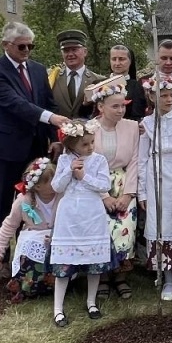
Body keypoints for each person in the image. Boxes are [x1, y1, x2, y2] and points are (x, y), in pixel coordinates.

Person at [0, 23, 71, 243]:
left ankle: (26, 253)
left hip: (34, 150)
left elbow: (49, 104)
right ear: (6, 45)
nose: (27, 50)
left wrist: (54, 138)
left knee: (31, 203)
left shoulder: (38, 69)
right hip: (2, 150)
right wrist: (52, 118)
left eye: (31, 46)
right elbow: (15, 104)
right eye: (22, 46)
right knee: (1, 205)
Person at [47, 121, 114, 328]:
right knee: (65, 261)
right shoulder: (64, 160)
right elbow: (56, 186)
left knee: (94, 262)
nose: (90, 147)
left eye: (92, 142)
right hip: (70, 216)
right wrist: (68, 171)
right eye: (85, 144)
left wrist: (83, 176)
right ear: (72, 144)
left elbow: (105, 185)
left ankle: (91, 302)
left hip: (92, 213)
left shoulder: (99, 160)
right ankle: (58, 308)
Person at [135, 73, 172, 300]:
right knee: (159, 224)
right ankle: (168, 278)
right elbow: (141, 159)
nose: (169, 100)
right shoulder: (147, 123)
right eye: (164, 96)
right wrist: (142, 190)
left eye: (171, 95)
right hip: (154, 173)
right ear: (152, 97)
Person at [89, 77, 142, 297]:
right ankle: (101, 277)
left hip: (124, 182)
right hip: (96, 185)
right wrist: (103, 196)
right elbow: (86, 162)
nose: (121, 110)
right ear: (101, 107)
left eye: (123, 105)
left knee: (124, 229)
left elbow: (135, 161)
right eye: (115, 106)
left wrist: (128, 194)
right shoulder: (89, 128)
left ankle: (121, 277)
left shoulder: (131, 127)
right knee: (101, 232)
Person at [0, 157, 56, 302]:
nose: (56, 182)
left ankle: (57, 283)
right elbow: (10, 224)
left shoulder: (61, 197)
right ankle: (28, 285)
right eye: (51, 181)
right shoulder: (24, 200)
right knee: (31, 256)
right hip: (34, 236)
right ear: (37, 186)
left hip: (57, 236)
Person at [49, 30, 96, 119]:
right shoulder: (51, 78)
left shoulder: (98, 80)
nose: (70, 54)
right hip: (56, 131)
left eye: (74, 49)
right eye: (66, 50)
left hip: (88, 131)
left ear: (85, 52)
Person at [107, 44, 146, 122]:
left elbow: (137, 116)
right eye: (114, 59)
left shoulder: (137, 86)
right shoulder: (99, 83)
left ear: (130, 61)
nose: (117, 63)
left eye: (121, 59)